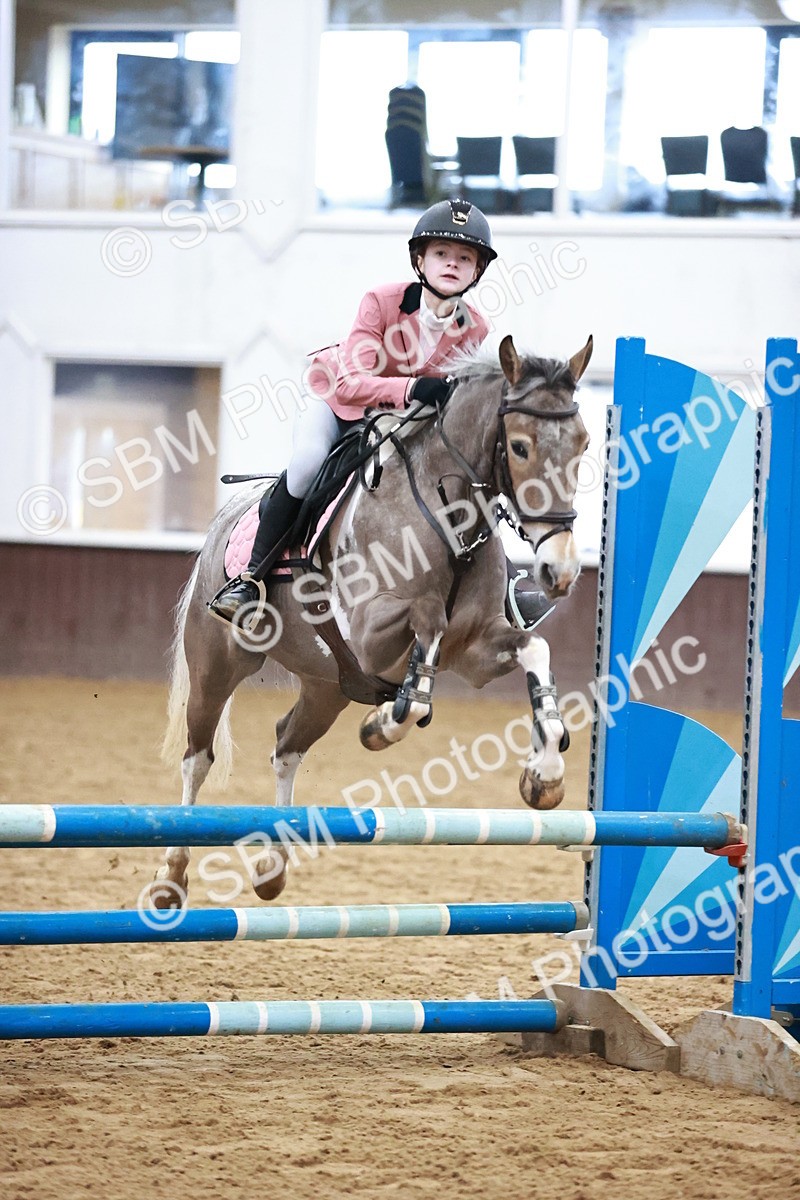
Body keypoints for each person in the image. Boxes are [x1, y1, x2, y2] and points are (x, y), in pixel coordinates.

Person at [209, 198, 553, 629]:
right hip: (338, 404)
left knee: (462, 476)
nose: (452, 264)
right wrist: (412, 388)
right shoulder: (381, 301)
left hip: (399, 423)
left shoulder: (476, 326)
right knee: (306, 465)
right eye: (442, 254)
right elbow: (352, 382)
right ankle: (250, 581)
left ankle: (503, 591)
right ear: (419, 261)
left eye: (465, 258)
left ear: (477, 272)